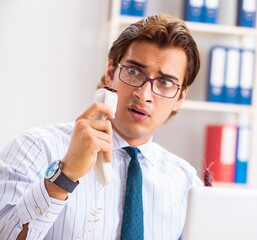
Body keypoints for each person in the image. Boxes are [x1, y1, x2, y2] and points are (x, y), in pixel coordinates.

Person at [0, 13, 202, 240]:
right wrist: (64, 176)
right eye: (134, 72)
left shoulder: (188, 184)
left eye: (165, 83)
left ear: (180, 98)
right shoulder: (33, 148)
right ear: (110, 73)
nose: (143, 94)